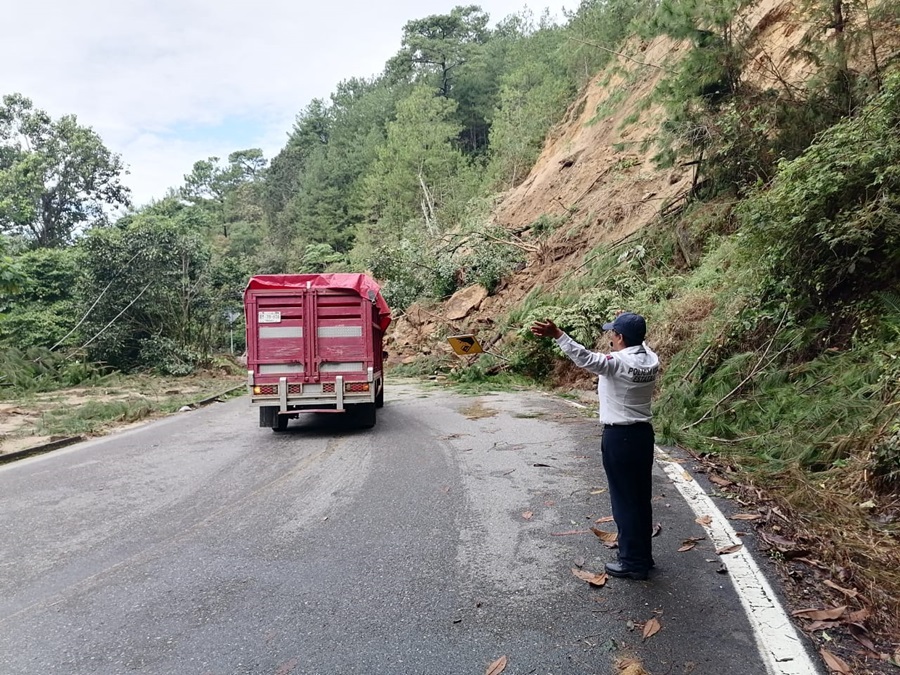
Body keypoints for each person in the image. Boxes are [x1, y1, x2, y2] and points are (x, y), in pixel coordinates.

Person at [531, 312, 660, 580]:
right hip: (643, 436)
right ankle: (642, 557)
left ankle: (632, 563)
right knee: (640, 499)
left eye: (613, 333)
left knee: (624, 501)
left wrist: (558, 335)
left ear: (620, 337)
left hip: (619, 438)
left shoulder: (616, 363)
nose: (610, 338)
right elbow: (637, 346)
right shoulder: (650, 359)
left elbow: (586, 358)